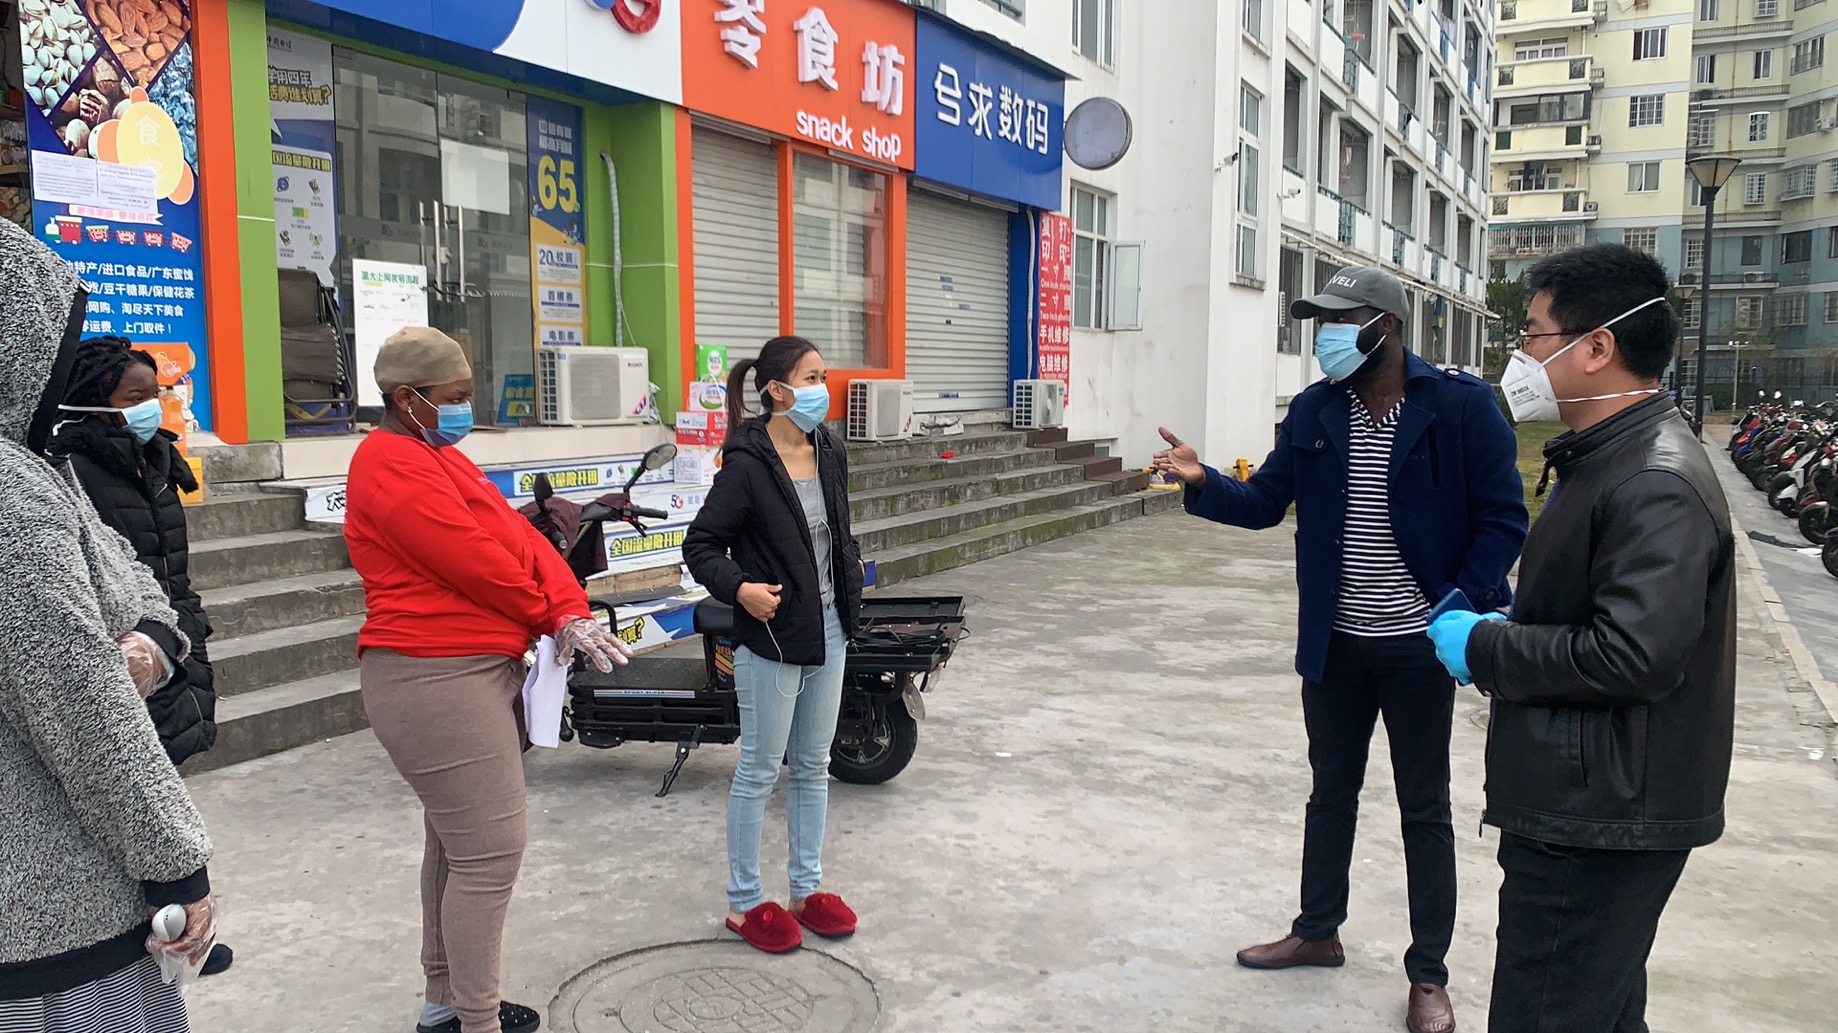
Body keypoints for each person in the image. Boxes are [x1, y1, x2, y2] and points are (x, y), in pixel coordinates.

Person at [1153, 266, 1528, 1033]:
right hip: (1337, 645)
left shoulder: (1460, 407)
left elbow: (1503, 519)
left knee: (1425, 806)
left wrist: (1458, 606)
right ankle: (1317, 930)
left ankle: (1428, 974)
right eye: (1318, 322)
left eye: (1338, 321)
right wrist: (1203, 480)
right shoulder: (1315, 409)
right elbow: (1267, 502)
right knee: (1330, 792)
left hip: (1422, 646)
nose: (1323, 336)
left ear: (1384, 327)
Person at [1427, 244, 1735, 1033]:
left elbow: (1633, 655)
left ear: (1596, 347)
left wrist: (1488, 648)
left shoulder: (1652, 480)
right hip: (1591, 798)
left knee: (1546, 1013)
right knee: (1600, 1012)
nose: (1521, 356)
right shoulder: (1605, 457)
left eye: (1533, 334)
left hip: (1598, 815)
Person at [343, 327, 634, 1033]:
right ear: (406, 398)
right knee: (489, 856)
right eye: (454, 396)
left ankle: (446, 1003)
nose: (465, 409)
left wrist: (568, 607)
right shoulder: (387, 463)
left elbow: (525, 538)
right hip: (434, 675)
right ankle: (476, 1021)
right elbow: (473, 561)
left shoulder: (439, 456)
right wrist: (550, 613)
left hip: (467, 669)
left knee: (457, 848)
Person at [0, 218, 215, 1030]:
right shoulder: (13, 493)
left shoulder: (38, 472)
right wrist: (176, 864)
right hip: (54, 921)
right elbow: (78, 701)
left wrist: (152, 639)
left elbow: (142, 583)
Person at [46, 336, 237, 977]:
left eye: (156, 393)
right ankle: (151, 933)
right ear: (90, 403)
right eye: (135, 397)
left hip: (172, 643)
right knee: (128, 805)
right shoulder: (67, 474)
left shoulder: (155, 462)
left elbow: (172, 569)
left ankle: (185, 925)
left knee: (168, 794)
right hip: (125, 662)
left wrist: (188, 632)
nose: (153, 406)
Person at [683, 335, 865, 954]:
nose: (823, 389)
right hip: (771, 636)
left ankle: (805, 891)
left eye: (824, 376)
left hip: (829, 626)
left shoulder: (829, 449)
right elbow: (701, 545)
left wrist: (850, 572)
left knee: (813, 764)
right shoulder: (747, 464)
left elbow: (838, 530)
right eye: (812, 378)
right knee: (760, 768)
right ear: (778, 390)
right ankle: (744, 901)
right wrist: (741, 589)